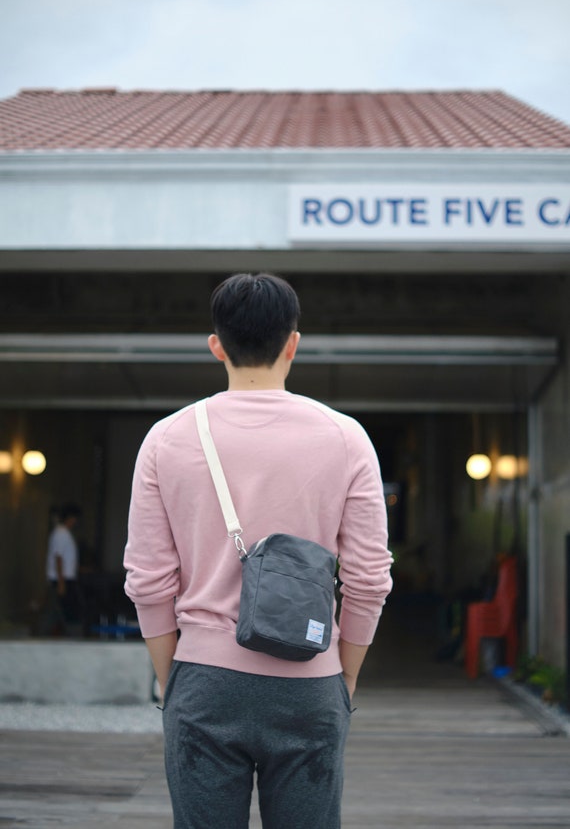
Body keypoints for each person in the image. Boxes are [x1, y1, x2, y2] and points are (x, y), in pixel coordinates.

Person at [124, 273, 393, 829]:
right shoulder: (347, 438)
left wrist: (171, 681)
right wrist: (342, 679)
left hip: (202, 683)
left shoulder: (167, 438)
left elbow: (148, 579)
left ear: (216, 345)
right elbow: (368, 578)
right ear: (293, 343)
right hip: (311, 683)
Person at [45, 502, 82, 634]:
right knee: (68, 611)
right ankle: (74, 636)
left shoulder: (63, 533)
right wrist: (61, 582)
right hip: (62, 580)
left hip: (65, 579)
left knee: (58, 611)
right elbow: (58, 558)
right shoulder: (61, 533)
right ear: (70, 518)